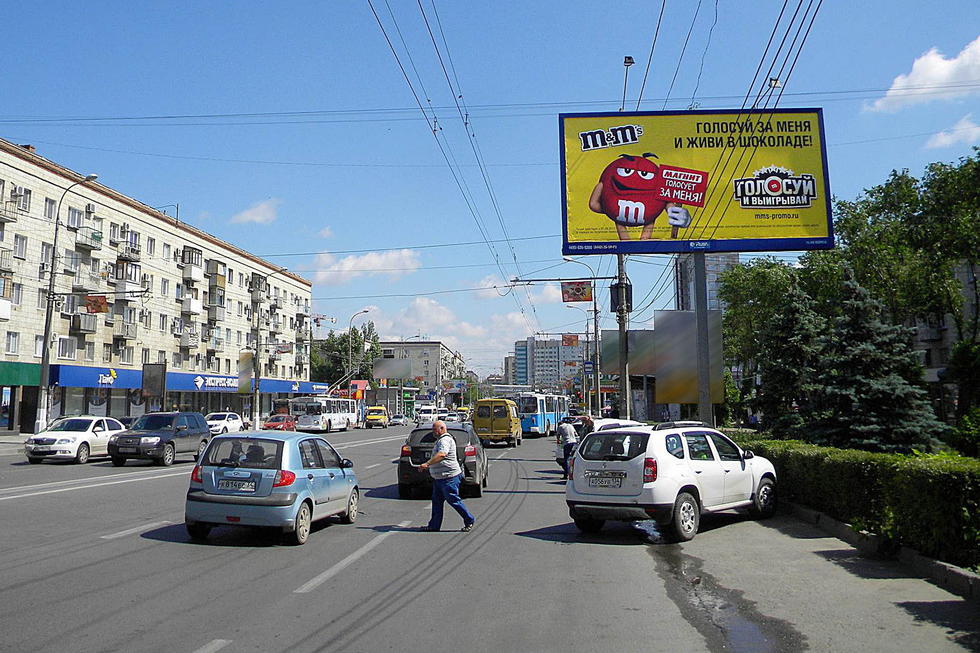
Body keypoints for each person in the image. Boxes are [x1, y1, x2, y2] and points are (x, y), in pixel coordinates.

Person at [417, 420, 476, 533]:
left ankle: (469, 519)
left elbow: (442, 454)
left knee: (453, 499)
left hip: (449, 477)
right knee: (437, 502)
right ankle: (434, 526)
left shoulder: (445, 440)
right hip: (440, 478)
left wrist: (427, 464)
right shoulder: (440, 440)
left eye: (435, 429)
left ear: (442, 429)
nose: (433, 432)